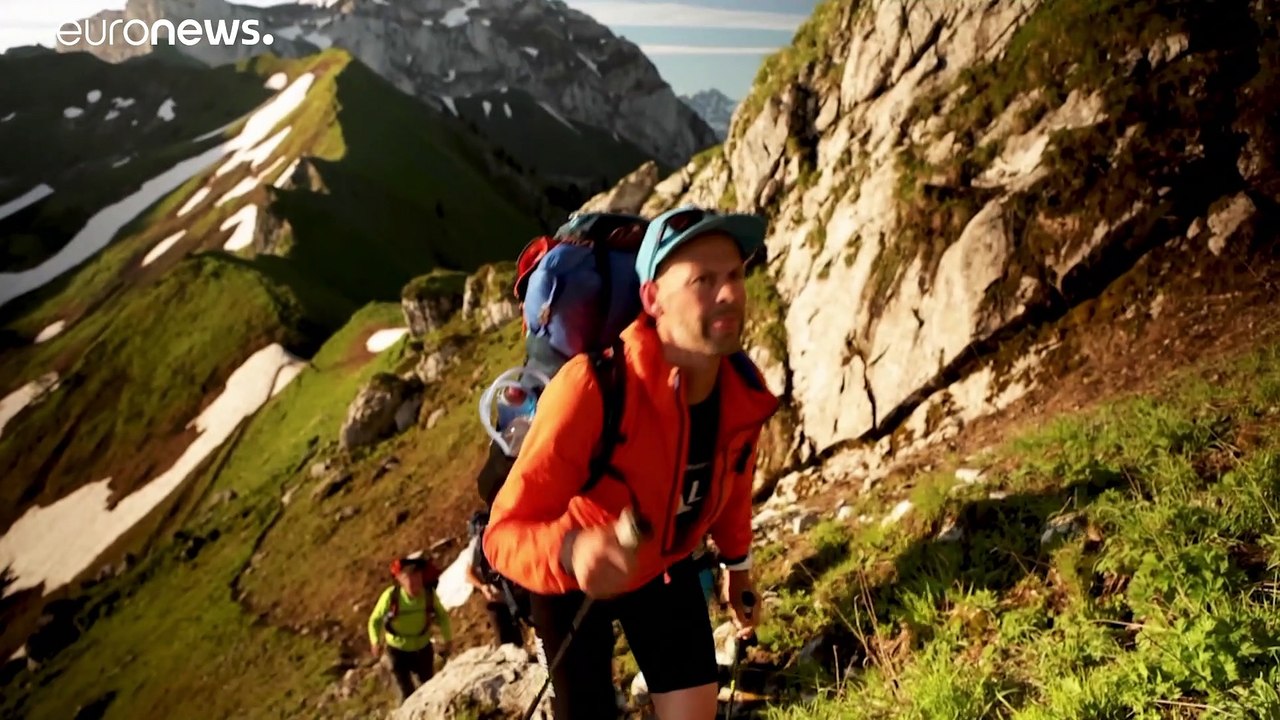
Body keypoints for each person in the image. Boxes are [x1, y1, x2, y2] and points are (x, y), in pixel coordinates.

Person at [483, 205, 780, 720]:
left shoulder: (742, 391)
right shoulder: (591, 389)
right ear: (652, 299)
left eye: (734, 274)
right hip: (569, 579)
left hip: (664, 569)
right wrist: (573, 551)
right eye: (702, 280)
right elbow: (503, 534)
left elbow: (732, 483)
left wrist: (739, 568)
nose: (729, 293)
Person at [367, 552, 453, 704]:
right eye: (408, 578)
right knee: (405, 693)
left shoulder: (428, 596)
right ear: (400, 580)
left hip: (423, 648)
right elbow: (375, 620)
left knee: (428, 689)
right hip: (397, 651)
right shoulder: (391, 597)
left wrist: (448, 640)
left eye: (417, 576)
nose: (414, 581)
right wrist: (375, 641)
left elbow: (443, 617)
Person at [464, 510, 528, 647]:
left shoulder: (508, 532)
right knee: (505, 636)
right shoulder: (477, 544)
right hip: (497, 593)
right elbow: (469, 573)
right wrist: (483, 587)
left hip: (517, 585)